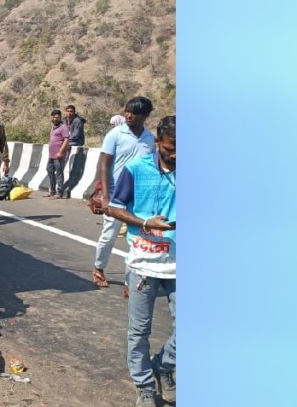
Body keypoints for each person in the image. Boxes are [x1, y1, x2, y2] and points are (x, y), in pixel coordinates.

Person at [106, 115, 176, 407]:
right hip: (144, 263)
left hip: (180, 262)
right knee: (139, 332)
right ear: (157, 141)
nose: (176, 155)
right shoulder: (136, 170)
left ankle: (163, 363)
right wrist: (145, 223)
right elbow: (114, 208)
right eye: (171, 148)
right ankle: (145, 387)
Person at [92, 96, 156, 289]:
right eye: (127, 110)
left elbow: (151, 167)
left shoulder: (149, 139)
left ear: (145, 116)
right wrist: (104, 194)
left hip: (138, 196)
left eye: (134, 112)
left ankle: (132, 281)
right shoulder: (115, 134)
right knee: (109, 234)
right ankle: (98, 268)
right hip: (115, 194)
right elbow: (104, 163)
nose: (128, 115)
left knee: (136, 238)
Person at [60, 104, 87, 198]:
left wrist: (65, 141)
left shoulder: (78, 121)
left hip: (75, 142)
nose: (69, 113)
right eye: (67, 111)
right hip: (66, 141)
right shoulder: (63, 120)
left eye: (71, 111)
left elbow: (75, 135)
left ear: (74, 112)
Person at [46, 109, 70, 199]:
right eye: (54, 117)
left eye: (57, 117)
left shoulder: (63, 127)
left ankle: (59, 193)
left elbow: (66, 140)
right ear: (51, 118)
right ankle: (52, 191)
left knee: (59, 173)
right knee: (49, 171)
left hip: (58, 155)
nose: (55, 119)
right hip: (51, 155)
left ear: (60, 118)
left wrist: (61, 152)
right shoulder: (53, 127)